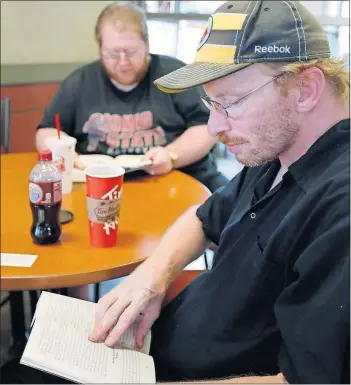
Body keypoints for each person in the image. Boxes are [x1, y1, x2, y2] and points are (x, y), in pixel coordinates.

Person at [2, 1, 349, 384]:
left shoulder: (339, 206)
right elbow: (203, 218)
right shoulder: (277, 150)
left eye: (230, 103)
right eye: (210, 104)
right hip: (162, 343)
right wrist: (150, 279)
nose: (215, 126)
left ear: (306, 90)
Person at [35, 2, 228, 193]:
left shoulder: (175, 74)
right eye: (112, 54)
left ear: (146, 44)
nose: (123, 62)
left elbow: (206, 126)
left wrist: (172, 155)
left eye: (131, 52)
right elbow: (47, 131)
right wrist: (65, 153)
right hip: (100, 187)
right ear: (100, 49)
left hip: (179, 178)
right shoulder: (79, 81)